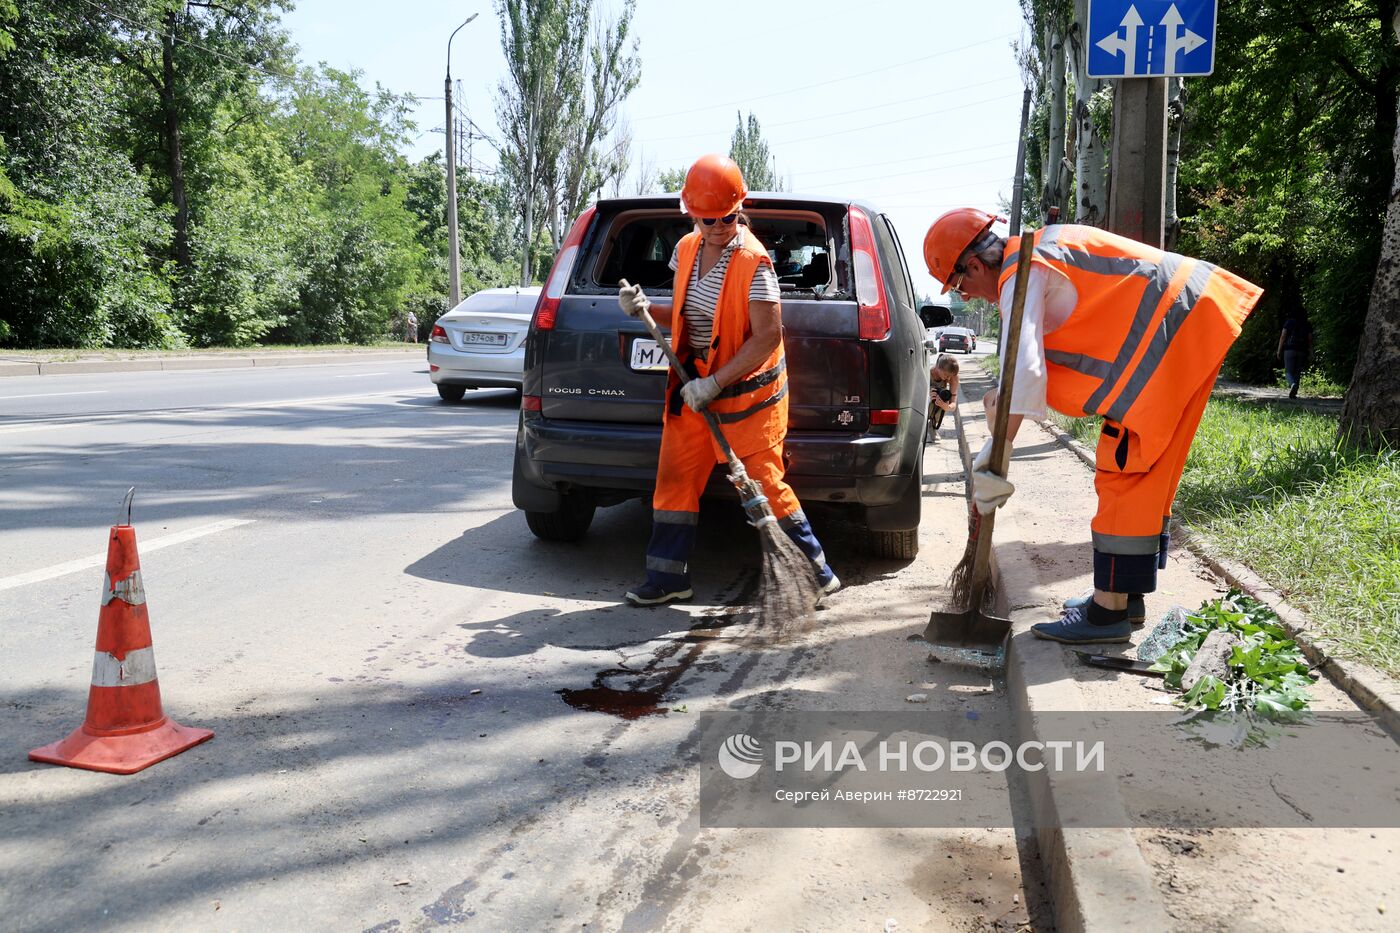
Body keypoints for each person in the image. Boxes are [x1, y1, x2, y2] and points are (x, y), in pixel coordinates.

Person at [923, 208, 1263, 643]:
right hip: (1190, 323)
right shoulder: (1036, 254)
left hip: (1176, 333)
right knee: (1148, 473)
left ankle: (1107, 616)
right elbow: (1026, 373)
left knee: (1125, 470)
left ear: (972, 265)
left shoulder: (1020, 273)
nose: (969, 297)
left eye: (961, 288)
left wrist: (995, 453)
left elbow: (1022, 372)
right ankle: (1124, 596)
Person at [616, 153, 839, 607]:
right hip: (692, 386)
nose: (718, 227)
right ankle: (667, 579)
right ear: (692, 215)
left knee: (763, 483)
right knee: (675, 476)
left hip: (744, 394)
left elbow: (766, 337)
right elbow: (685, 311)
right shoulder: (685, 250)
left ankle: (816, 575)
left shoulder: (754, 263)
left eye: (727, 217)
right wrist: (643, 307)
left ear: (741, 208)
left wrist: (715, 383)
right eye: (706, 219)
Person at [1277, 313, 1313, 399]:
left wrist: (1279, 350)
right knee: (1297, 372)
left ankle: (1292, 384)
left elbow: (1283, 336)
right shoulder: (1307, 324)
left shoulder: (1288, 322)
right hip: (1302, 350)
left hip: (1289, 349)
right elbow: (1310, 340)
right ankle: (1294, 393)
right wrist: (1311, 353)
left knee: (1288, 371)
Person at [928, 353, 960, 441]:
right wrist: (927, 395)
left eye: (951, 376)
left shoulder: (953, 377)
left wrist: (947, 407)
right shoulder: (926, 372)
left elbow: (953, 404)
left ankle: (933, 426)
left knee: (944, 398)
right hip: (921, 402)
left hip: (937, 404)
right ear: (938, 367)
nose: (948, 378)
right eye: (946, 375)